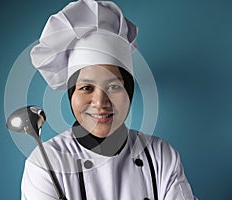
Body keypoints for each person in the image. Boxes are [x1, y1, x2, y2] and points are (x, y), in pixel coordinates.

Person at [21, 0, 198, 199]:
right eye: (86, 88)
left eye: (114, 86)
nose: (100, 102)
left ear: (129, 92)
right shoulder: (46, 164)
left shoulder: (160, 156)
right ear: (71, 94)